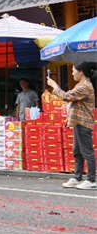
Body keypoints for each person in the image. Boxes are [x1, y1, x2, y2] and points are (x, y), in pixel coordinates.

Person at [48, 62, 96, 190]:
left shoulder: (85, 86)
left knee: (87, 152)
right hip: (77, 122)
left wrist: (54, 85)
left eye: (74, 70)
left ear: (81, 72)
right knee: (77, 151)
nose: (72, 73)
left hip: (83, 122)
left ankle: (91, 180)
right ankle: (77, 177)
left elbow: (66, 96)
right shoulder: (80, 85)